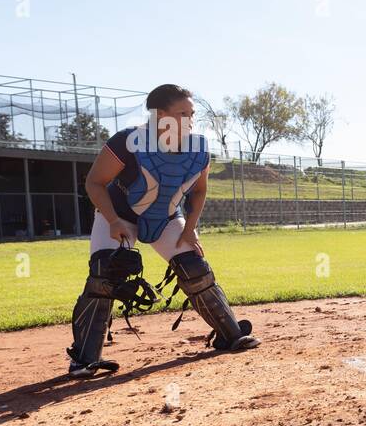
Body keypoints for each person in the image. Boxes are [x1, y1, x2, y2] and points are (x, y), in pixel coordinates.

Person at [66, 83, 260, 378]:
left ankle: (230, 335)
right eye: (182, 113)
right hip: (117, 215)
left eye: (192, 113)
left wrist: (191, 229)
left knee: (194, 267)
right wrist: (114, 221)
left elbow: (199, 191)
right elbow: (94, 182)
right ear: (159, 115)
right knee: (105, 274)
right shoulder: (128, 142)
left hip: (166, 216)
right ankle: (84, 358)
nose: (190, 119)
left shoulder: (197, 148)